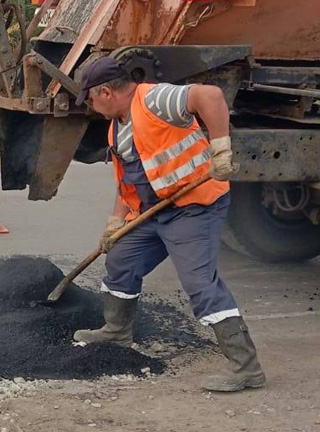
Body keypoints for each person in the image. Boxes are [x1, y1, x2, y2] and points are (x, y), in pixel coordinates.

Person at [72, 56, 264, 392]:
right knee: (121, 260)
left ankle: (246, 367)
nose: (90, 105)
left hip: (194, 207)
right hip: (154, 210)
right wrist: (115, 223)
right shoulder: (117, 125)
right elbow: (129, 182)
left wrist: (220, 149)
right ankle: (117, 331)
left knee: (199, 284)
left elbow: (211, 96)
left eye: (90, 97)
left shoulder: (154, 99)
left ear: (105, 91)